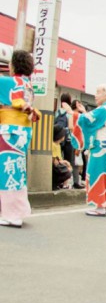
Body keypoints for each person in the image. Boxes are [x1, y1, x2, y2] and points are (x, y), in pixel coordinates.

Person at [0, 50, 39, 227]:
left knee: (8, 171)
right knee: (17, 171)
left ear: (14, 65)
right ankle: (16, 212)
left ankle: (12, 215)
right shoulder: (28, 85)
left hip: (10, 131)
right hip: (23, 130)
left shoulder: (9, 82)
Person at [76, 85, 106, 217]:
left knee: (96, 174)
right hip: (104, 146)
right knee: (102, 175)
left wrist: (74, 113)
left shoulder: (104, 109)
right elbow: (91, 119)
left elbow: (87, 120)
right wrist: (84, 112)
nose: (95, 95)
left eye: (98, 92)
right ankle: (104, 204)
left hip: (100, 146)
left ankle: (100, 207)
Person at [52, 125, 73, 190]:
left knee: (68, 167)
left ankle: (63, 184)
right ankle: (63, 185)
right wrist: (65, 162)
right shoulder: (53, 145)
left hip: (58, 163)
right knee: (68, 170)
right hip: (55, 166)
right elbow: (54, 160)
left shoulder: (58, 145)